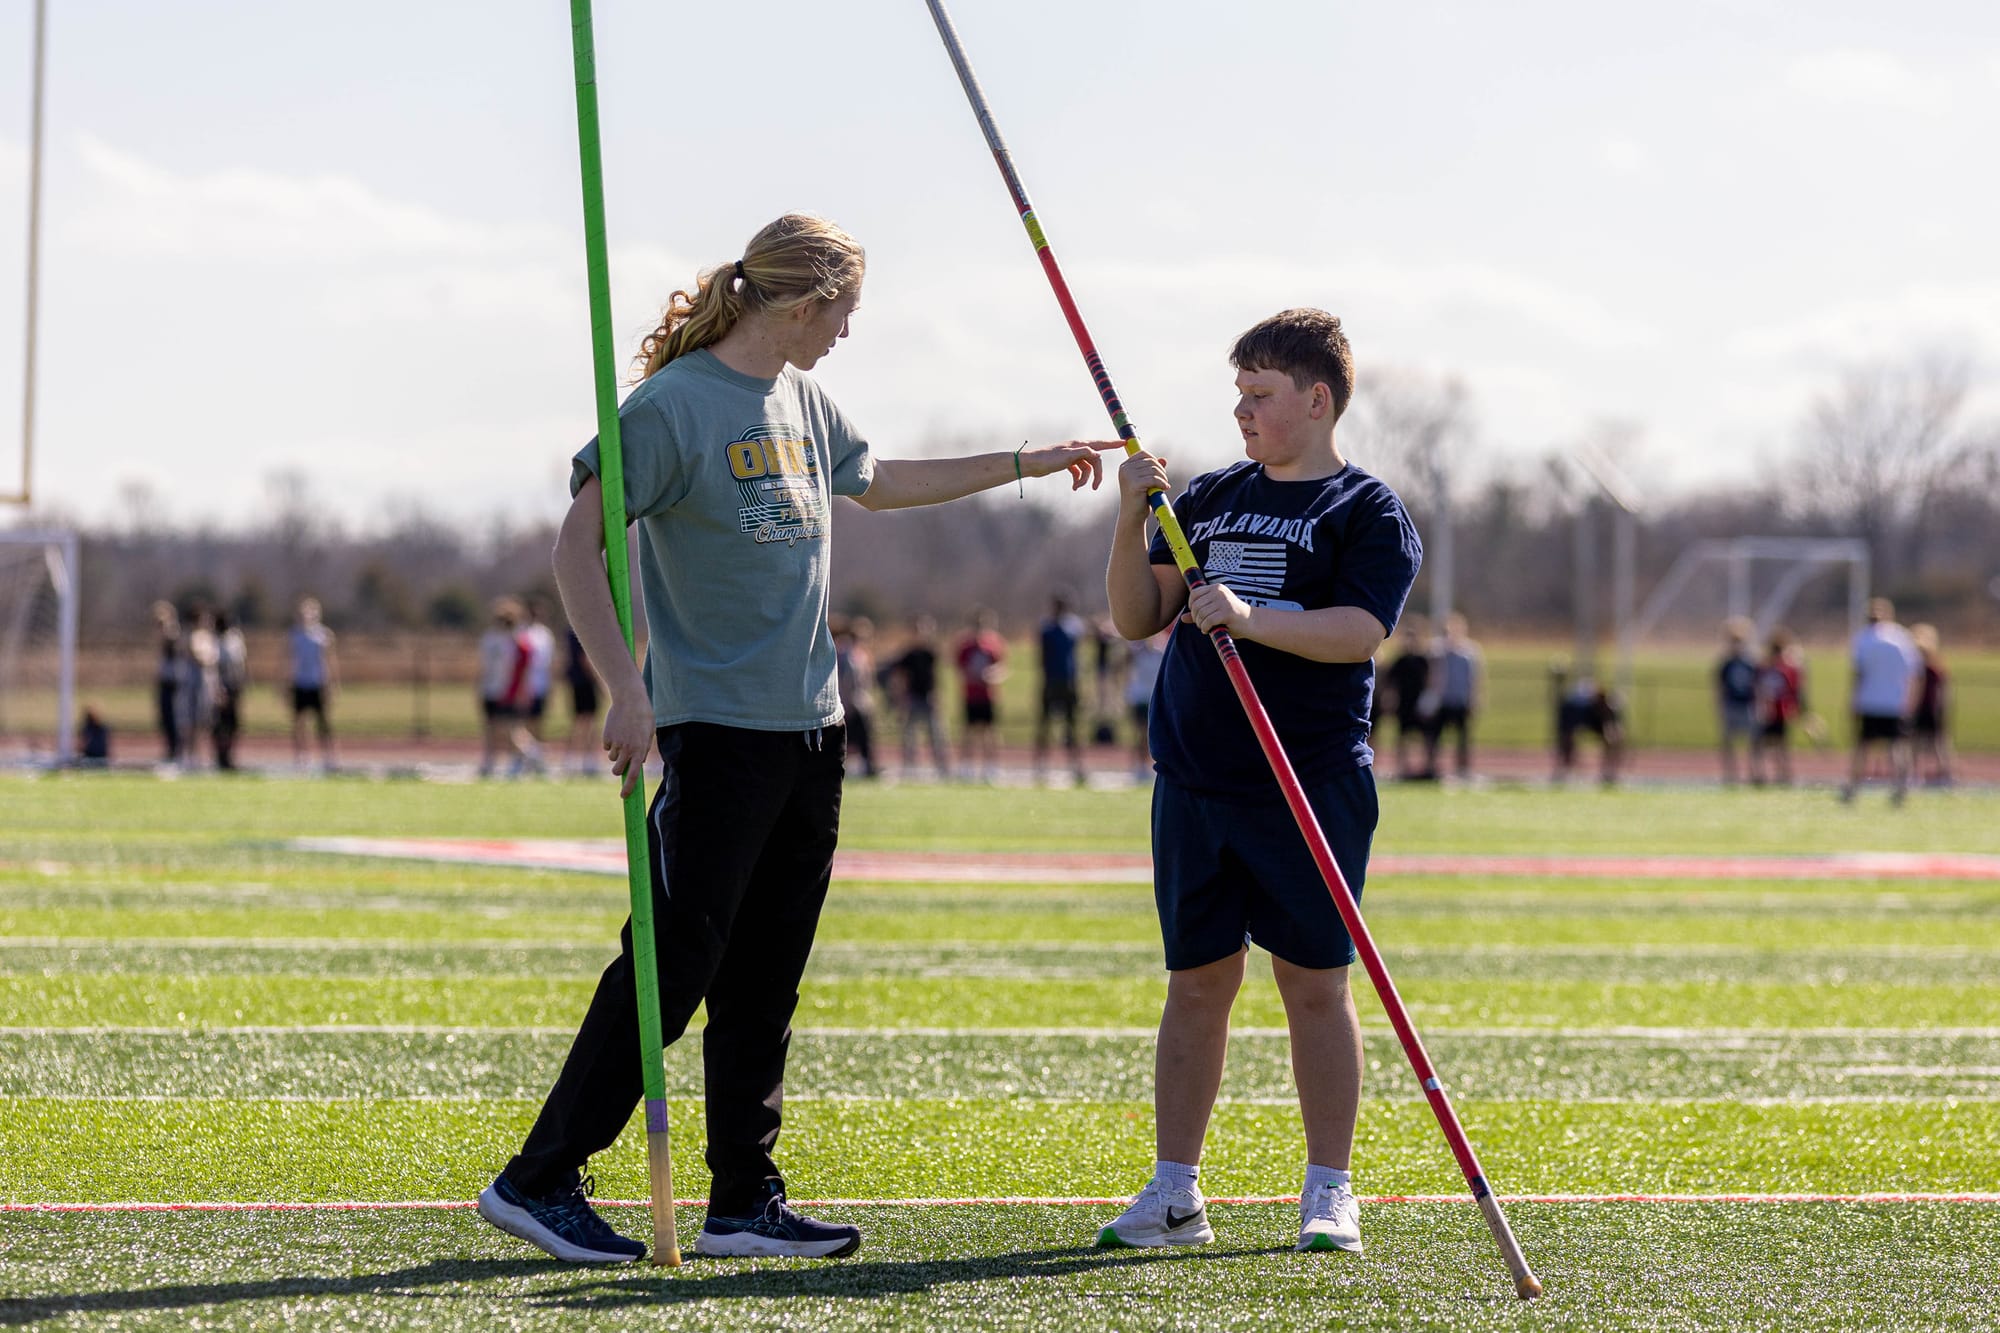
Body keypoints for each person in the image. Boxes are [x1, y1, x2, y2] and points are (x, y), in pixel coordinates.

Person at [476, 213, 1115, 1265]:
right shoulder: (672, 406)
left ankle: (743, 1200)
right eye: (845, 312)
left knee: (767, 973)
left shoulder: (804, 399)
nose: (847, 333)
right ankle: (538, 1177)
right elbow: (576, 546)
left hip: (809, 728)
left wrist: (1028, 461)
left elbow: (880, 481)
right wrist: (622, 685)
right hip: (713, 727)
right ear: (803, 300)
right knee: (673, 961)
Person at [1099, 308, 1421, 1257]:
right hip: (1197, 780)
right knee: (1196, 984)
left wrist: (1249, 615)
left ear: (1317, 401)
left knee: (1314, 984)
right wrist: (1128, 518)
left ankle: (1329, 1190)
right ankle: (1175, 1192)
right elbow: (1135, 614)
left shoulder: (1366, 510)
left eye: (1260, 395)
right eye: (1237, 393)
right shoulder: (1210, 494)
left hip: (1308, 784)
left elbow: (1359, 631)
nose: (1241, 411)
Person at [1841, 597, 1920, 804]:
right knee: (1896, 747)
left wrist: (1853, 700)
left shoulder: (1863, 639)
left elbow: (1858, 674)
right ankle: (1901, 789)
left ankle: (1852, 788)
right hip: (1894, 702)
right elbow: (1913, 673)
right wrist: (1909, 700)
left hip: (1870, 700)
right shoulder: (1901, 638)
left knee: (1863, 747)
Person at [1033, 592, 1088, 785]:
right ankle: (1040, 766)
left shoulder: (1073, 627)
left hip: (1068, 681)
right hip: (1052, 680)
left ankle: (1077, 767)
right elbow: (1041, 656)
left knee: (1072, 726)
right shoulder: (1047, 628)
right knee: (1045, 725)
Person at [886, 616, 950, 779]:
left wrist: (938, 695)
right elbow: (898, 677)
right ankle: (909, 767)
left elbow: (936, 676)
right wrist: (901, 698)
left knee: (936, 734)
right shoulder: (908, 654)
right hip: (912, 698)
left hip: (928, 698)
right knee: (909, 736)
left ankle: (942, 768)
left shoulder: (931, 653)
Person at [1421, 612, 1481, 779]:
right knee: (1435, 736)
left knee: (1463, 738)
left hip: (1460, 700)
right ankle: (1432, 767)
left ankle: (1463, 769)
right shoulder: (1437, 651)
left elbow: (1474, 678)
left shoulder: (1469, 653)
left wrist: (1474, 699)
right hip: (1442, 701)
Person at [478, 598, 529, 779]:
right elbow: (484, 666)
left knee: (508, 730)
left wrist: (515, 691)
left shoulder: (515, 641)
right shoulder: (489, 638)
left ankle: (526, 756)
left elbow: (516, 670)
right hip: (489, 689)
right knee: (490, 728)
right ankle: (489, 763)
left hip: (505, 691)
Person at [954, 608, 1006, 781]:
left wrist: (992, 674)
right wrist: (972, 676)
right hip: (971, 694)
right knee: (968, 732)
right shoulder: (966, 645)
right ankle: (966, 767)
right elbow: (959, 668)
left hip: (988, 694)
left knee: (989, 732)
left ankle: (991, 767)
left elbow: (1002, 667)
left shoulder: (994, 643)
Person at [288, 596, 339, 771]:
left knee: (323, 723)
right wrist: (285, 683)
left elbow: (330, 661)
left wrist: (331, 684)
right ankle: (302, 756)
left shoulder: (323, 635)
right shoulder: (294, 635)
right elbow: (289, 661)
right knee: (299, 722)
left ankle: (328, 756)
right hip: (300, 682)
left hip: (317, 682)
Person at [1748, 629, 1804, 787]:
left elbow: (1794, 691)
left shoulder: (1789, 669)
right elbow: (1756, 688)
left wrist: (1794, 709)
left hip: (1780, 712)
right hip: (1765, 712)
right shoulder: (1764, 668)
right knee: (1760, 745)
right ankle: (1759, 775)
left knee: (1780, 746)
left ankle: (1784, 775)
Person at [1379, 614, 1430, 779]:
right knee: (1402, 736)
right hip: (1404, 702)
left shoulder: (1423, 659)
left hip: (1419, 702)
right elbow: (1390, 682)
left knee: (1425, 734)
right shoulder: (1400, 660)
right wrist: (1388, 699)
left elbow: (1431, 680)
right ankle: (1403, 767)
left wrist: (1429, 700)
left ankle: (1426, 766)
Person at [1553, 668, 1624, 786]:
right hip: (1580, 719)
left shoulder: (1608, 707)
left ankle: (1608, 773)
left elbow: (1612, 729)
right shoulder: (1575, 707)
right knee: (1566, 740)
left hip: (1597, 723)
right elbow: (1567, 732)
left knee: (1614, 739)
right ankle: (1566, 770)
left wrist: (1612, 734)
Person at [833, 617, 880, 779]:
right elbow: (846, 680)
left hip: (861, 701)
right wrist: (847, 702)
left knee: (863, 736)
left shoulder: (860, 653)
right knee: (847, 737)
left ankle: (868, 766)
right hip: (851, 702)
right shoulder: (846, 653)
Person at [1714, 618, 1758, 785]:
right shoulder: (1726, 664)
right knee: (1728, 742)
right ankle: (1730, 774)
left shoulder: (1750, 663)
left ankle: (1753, 771)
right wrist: (1719, 706)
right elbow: (1719, 686)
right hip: (1731, 705)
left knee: (1753, 741)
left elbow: (1757, 684)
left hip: (1747, 705)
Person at [517, 599, 558, 775]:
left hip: (541, 684)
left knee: (538, 723)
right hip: (524, 686)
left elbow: (549, 662)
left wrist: (551, 684)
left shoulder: (545, 635)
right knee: (522, 723)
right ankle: (525, 759)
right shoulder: (521, 633)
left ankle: (537, 759)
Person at [1123, 627, 1168, 783]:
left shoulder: (1159, 649)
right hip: (1139, 696)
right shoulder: (1137, 650)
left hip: (1152, 696)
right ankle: (1137, 765)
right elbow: (1124, 663)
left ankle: (1147, 765)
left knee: (1151, 734)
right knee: (1139, 733)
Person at [1910, 623, 1952, 786]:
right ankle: (1914, 773)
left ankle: (1945, 772)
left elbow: (1943, 690)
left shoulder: (1934, 668)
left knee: (1938, 743)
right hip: (1922, 709)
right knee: (1916, 743)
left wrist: (1942, 707)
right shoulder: (1916, 668)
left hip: (1930, 709)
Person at [211, 610, 248, 772]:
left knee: (233, 724)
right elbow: (215, 668)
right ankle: (220, 756)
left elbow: (240, 665)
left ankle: (229, 755)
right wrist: (217, 688)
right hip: (220, 686)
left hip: (234, 686)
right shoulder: (215, 642)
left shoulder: (235, 640)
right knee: (220, 724)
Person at [562, 626, 601, 776]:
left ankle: (573, 758)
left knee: (580, 721)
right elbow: (585, 658)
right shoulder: (586, 629)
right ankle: (587, 760)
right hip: (585, 681)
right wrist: (600, 680)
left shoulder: (571, 631)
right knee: (588, 721)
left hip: (576, 680)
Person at [151, 601, 182, 763]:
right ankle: (171, 747)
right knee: (164, 716)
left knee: (172, 716)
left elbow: (172, 647)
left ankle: (175, 749)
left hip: (172, 681)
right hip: (165, 680)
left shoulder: (171, 632)